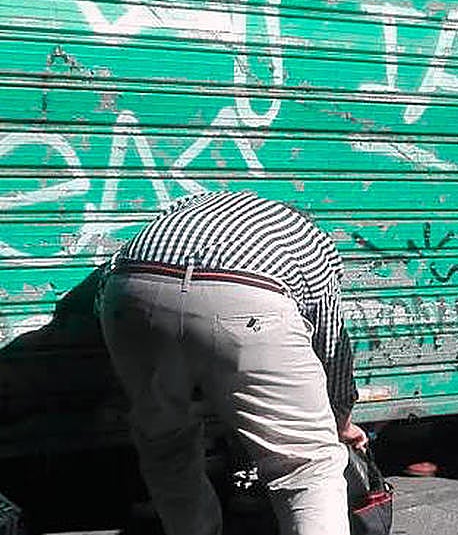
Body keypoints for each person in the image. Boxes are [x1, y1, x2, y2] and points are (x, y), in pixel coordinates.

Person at [96, 191, 368, 535]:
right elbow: (330, 344)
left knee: (167, 447)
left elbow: (109, 280)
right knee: (307, 466)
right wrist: (341, 418)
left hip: (131, 290)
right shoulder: (309, 238)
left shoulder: (191, 205)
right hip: (246, 295)